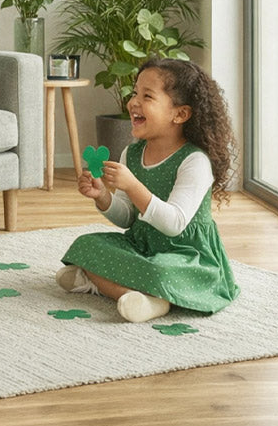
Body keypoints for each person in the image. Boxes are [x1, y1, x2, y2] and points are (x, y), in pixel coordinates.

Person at [57, 58, 240, 323]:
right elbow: (127, 218)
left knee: (161, 272)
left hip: (186, 255)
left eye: (147, 96)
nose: (134, 102)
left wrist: (133, 185)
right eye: (135, 93)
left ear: (180, 114)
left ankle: (106, 284)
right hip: (142, 246)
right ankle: (142, 297)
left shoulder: (195, 161)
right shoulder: (131, 153)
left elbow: (174, 224)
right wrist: (103, 196)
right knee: (85, 245)